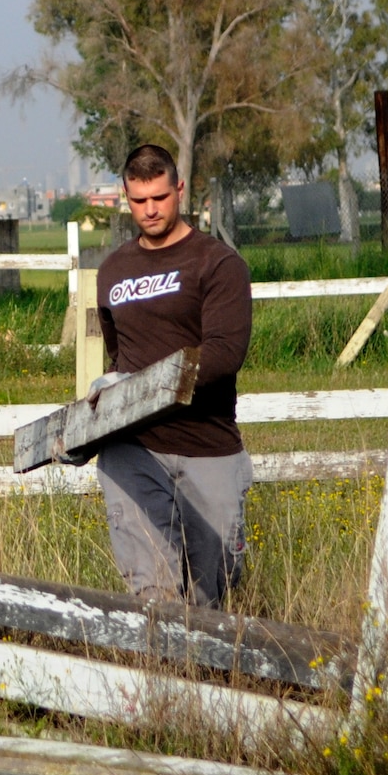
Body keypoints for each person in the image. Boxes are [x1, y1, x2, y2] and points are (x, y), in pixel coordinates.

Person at [92, 143, 253, 607]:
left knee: (210, 594)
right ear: (126, 196)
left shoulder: (217, 264)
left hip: (207, 444)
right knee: (153, 594)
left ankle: (202, 678)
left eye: (159, 198)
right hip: (134, 449)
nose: (150, 210)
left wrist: (150, 386)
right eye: (139, 201)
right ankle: (157, 678)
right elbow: (117, 355)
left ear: (179, 190)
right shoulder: (113, 271)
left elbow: (225, 353)